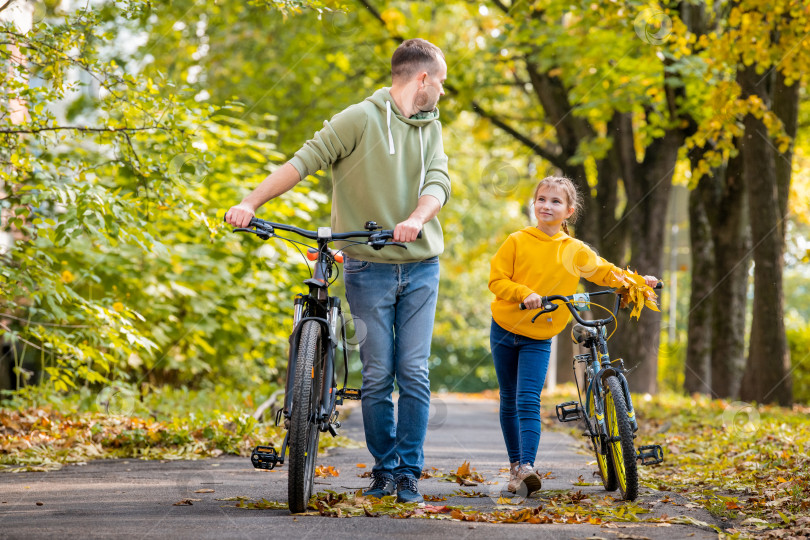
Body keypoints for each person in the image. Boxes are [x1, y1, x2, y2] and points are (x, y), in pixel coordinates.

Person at [225, 38, 450, 504]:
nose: (442, 93)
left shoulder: (431, 127)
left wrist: (416, 219)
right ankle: (385, 471)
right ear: (422, 78)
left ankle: (409, 472)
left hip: (422, 265)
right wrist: (250, 202)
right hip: (368, 267)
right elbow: (303, 162)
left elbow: (438, 181)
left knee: (413, 372)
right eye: (441, 83)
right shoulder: (360, 118)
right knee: (376, 374)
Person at [487, 176, 657, 496]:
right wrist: (525, 293)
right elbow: (497, 281)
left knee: (527, 399)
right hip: (505, 328)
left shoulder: (573, 250)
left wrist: (635, 282)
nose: (546, 206)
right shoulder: (517, 240)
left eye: (555, 202)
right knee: (509, 399)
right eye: (541, 199)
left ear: (569, 211)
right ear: (533, 204)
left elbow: (606, 272)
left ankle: (526, 467)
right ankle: (514, 467)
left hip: (539, 335)